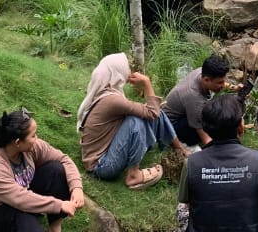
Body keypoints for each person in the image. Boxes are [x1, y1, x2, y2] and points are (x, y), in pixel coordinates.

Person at [178, 95, 258, 232]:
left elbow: (187, 204)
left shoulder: (191, 163)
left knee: (180, 208)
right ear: (240, 126)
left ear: (206, 129)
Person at [79, 53, 188, 190]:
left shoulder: (107, 92)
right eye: (126, 67)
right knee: (135, 121)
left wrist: (146, 98)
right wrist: (146, 83)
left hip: (107, 153)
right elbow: (151, 112)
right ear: (118, 73)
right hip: (102, 166)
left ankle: (179, 149)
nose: (129, 70)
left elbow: (153, 112)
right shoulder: (112, 100)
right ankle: (133, 174)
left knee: (156, 113)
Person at [163, 54, 231, 148]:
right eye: (220, 83)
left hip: (184, 112)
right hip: (171, 127)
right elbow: (206, 140)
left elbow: (219, 82)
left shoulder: (202, 71)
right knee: (211, 123)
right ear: (206, 80)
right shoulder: (194, 98)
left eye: (223, 81)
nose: (223, 85)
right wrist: (220, 149)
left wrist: (235, 88)